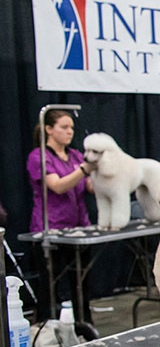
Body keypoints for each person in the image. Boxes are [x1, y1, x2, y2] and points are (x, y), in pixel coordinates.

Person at [26, 109, 95, 321]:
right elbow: (57, 186)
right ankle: (47, 328)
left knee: (81, 284)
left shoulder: (75, 155)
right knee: (50, 286)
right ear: (48, 129)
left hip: (79, 228)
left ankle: (84, 326)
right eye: (64, 127)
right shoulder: (39, 157)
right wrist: (84, 170)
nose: (70, 132)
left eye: (72, 128)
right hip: (50, 230)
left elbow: (91, 188)